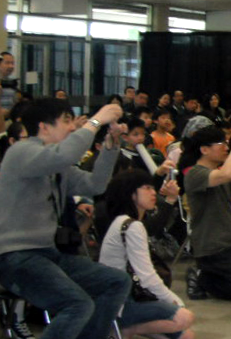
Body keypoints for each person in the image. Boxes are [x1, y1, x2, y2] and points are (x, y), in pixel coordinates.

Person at [0, 100, 132, 339]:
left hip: (47, 254)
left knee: (116, 281)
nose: (72, 128)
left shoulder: (56, 165)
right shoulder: (21, 152)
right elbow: (67, 153)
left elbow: (95, 184)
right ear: (44, 127)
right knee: (77, 304)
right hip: (14, 256)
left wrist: (111, 146)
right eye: (67, 121)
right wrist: (95, 121)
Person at [99, 169, 195, 339]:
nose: (153, 193)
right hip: (121, 302)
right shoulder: (131, 226)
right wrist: (173, 300)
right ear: (131, 194)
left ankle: (127, 329)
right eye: (146, 188)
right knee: (183, 318)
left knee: (186, 334)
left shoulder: (124, 222)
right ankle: (126, 330)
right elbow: (146, 275)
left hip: (123, 298)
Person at [181, 125, 231, 302]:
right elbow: (226, 174)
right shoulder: (194, 174)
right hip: (213, 248)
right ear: (204, 149)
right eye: (221, 143)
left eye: (227, 143)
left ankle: (216, 275)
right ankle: (203, 277)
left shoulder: (220, 173)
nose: (226, 147)